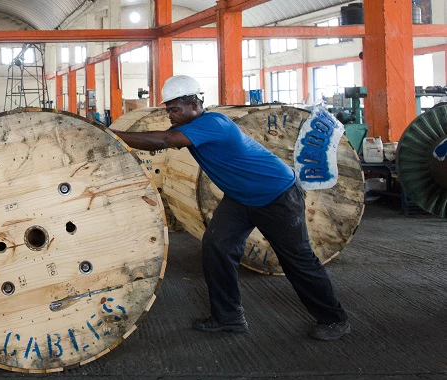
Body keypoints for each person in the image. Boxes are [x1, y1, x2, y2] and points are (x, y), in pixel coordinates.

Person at [111, 75, 350, 341]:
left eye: (175, 109)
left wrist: (112, 134)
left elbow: (165, 140)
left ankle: (334, 319)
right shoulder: (195, 126)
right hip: (240, 198)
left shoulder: (212, 123)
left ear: (194, 104)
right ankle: (229, 318)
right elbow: (168, 138)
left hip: (276, 194)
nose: (170, 114)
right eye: (168, 109)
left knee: (298, 260)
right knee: (218, 247)